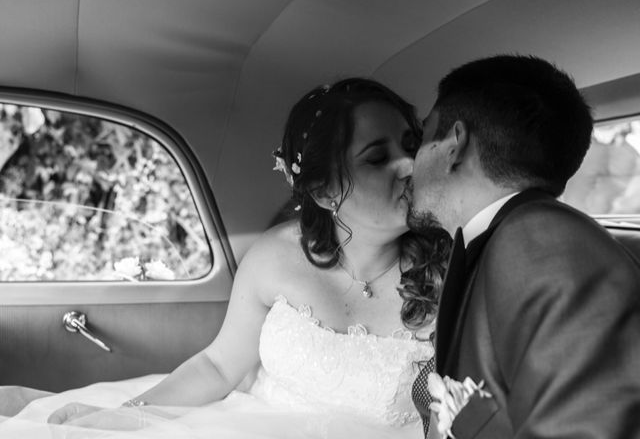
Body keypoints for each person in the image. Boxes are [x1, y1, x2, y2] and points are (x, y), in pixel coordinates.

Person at [0, 78, 450, 439]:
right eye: (378, 158)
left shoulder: (451, 273)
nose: (410, 165)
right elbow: (218, 366)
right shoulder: (276, 256)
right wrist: (124, 418)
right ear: (325, 190)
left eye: (411, 145)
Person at [407, 54, 640, 438]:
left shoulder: (542, 243)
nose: (410, 163)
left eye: (420, 138)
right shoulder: (495, 242)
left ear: (454, 144)